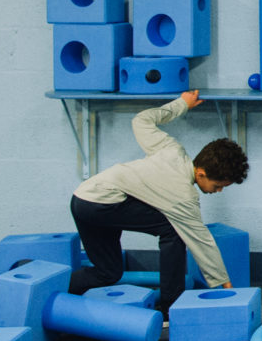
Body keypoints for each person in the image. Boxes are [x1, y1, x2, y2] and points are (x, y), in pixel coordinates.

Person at [68, 91, 247, 321]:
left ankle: (49, 292)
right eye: (218, 185)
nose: (219, 191)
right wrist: (227, 285)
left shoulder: (172, 150)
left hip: (82, 198)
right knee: (173, 228)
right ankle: (169, 310)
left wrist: (181, 104)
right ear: (201, 173)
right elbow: (202, 240)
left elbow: (141, 121)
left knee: (108, 272)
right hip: (101, 205)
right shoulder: (184, 195)